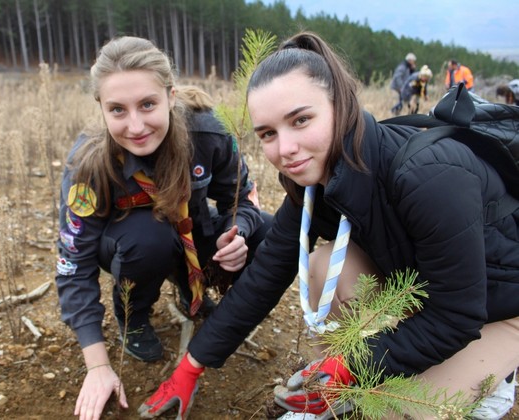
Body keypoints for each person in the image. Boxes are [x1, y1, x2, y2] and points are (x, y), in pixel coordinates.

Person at [140, 31, 519, 420]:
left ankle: (496, 380)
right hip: (424, 290)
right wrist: (192, 365)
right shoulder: (317, 182)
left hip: (496, 308)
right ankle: (330, 390)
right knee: (323, 268)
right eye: (268, 133)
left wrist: (352, 366)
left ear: (341, 106)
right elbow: (266, 274)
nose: (284, 149)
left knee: (398, 409)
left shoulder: (429, 174)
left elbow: (456, 315)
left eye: (301, 119)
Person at [55, 36, 272, 419]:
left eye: (148, 104)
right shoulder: (88, 166)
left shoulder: (209, 133)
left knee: (267, 233)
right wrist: (98, 366)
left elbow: (242, 196)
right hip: (133, 246)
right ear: (101, 109)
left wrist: (239, 230)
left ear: (170, 96)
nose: (135, 125)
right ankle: (134, 317)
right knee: (148, 238)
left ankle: (201, 294)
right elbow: (74, 267)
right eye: (117, 110)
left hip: (195, 232)